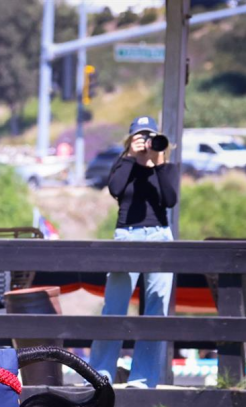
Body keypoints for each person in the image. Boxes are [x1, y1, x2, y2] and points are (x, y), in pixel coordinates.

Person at [89, 115, 179, 388]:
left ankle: (143, 380)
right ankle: (99, 376)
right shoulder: (123, 165)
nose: (146, 141)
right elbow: (115, 189)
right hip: (126, 235)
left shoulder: (166, 167)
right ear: (130, 140)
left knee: (156, 310)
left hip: (159, 236)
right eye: (140, 136)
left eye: (150, 135)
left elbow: (170, 198)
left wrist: (158, 160)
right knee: (114, 308)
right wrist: (130, 156)